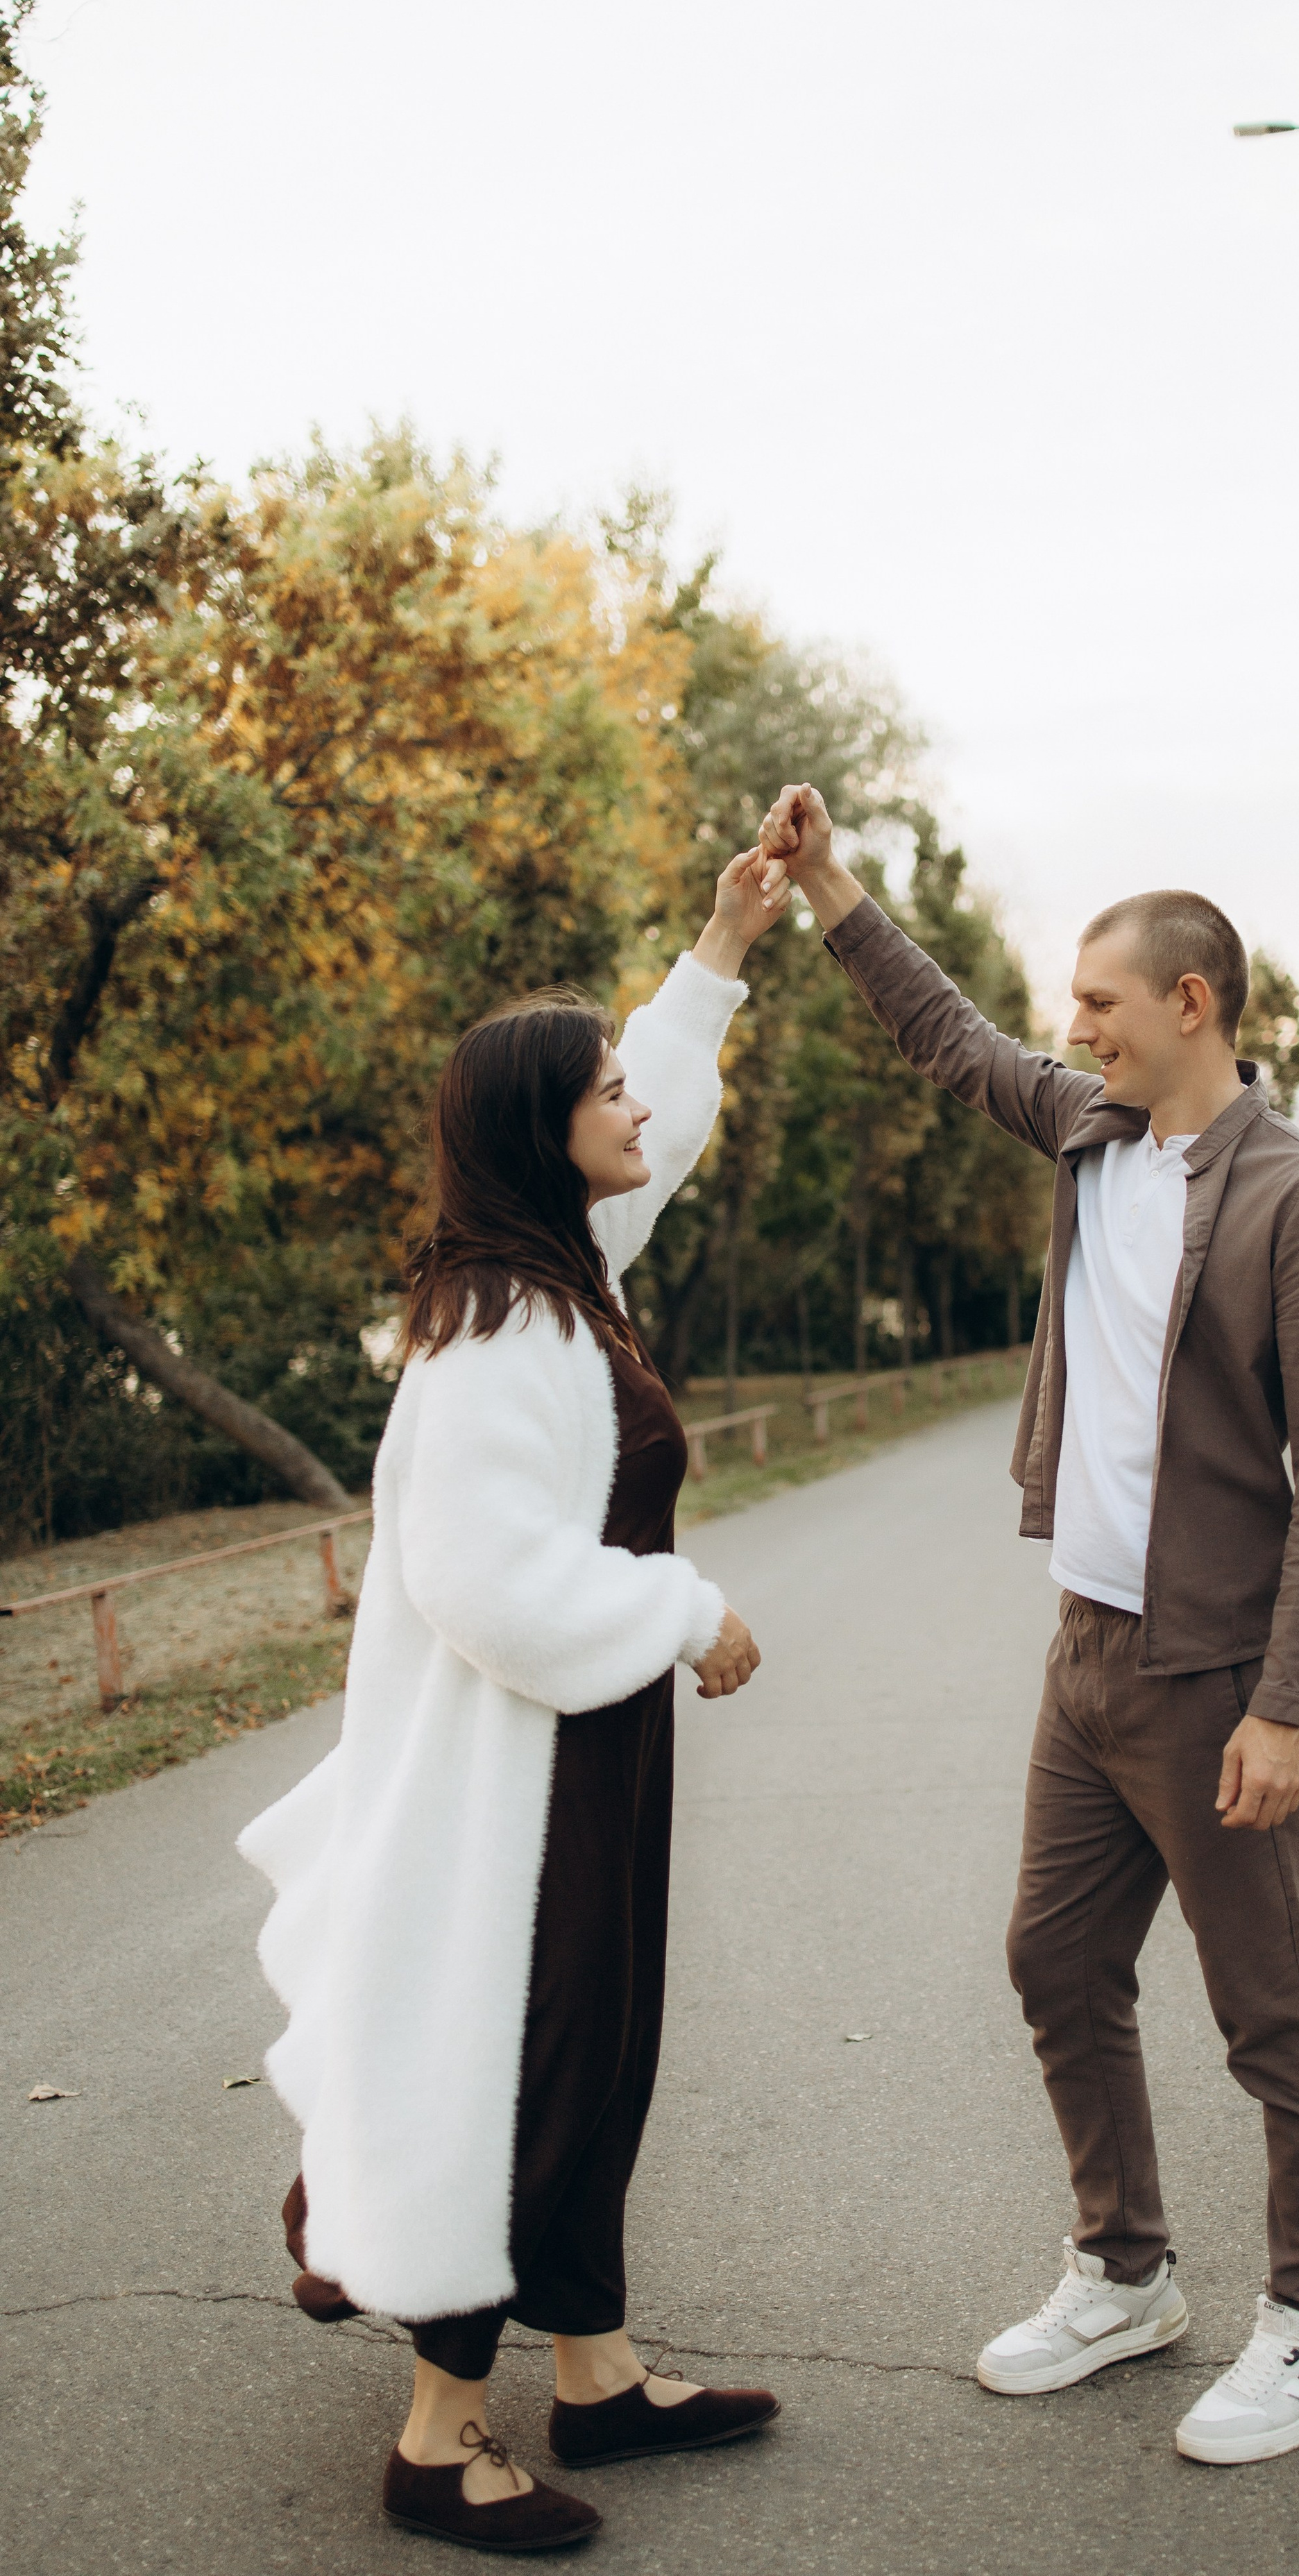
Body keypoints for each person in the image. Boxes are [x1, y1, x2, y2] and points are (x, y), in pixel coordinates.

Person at [756, 783, 1299, 2470]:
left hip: (1210, 1677)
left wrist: (1287, 1704)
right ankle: (1125, 2273)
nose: (1070, 1027)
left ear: (1190, 1004)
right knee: (1052, 1959)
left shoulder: (1294, 1201)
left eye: (1097, 1002)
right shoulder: (1091, 1135)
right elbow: (949, 1038)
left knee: (1275, 2018)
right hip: (1086, 1657)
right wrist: (827, 891)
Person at [239, 851, 789, 2554]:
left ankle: (600, 2377)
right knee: (529, 2068)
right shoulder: (492, 1338)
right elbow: (483, 1585)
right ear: (538, 1131)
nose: (633, 1106)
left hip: (582, 1752)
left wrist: (714, 954)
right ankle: (438, 2436)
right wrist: (683, 1609)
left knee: (598, 2051)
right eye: (603, 1090)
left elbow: (667, 1136)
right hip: (516, 1779)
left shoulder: (561, 1270)